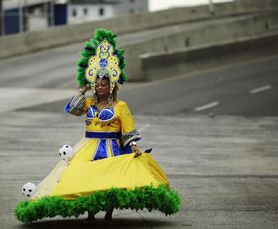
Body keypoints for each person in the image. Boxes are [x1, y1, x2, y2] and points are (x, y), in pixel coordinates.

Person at [15, 29, 180, 224]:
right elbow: (71, 108)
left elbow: (128, 129)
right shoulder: (89, 104)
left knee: (110, 182)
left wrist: (134, 146)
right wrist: (82, 89)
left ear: (110, 86)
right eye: (97, 84)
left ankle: (108, 214)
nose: (99, 87)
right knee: (85, 178)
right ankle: (91, 214)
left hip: (112, 148)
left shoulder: (120, 106)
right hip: (88, 146)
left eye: (103, 84)